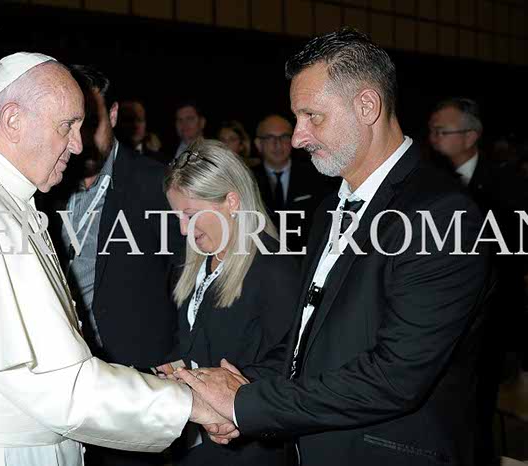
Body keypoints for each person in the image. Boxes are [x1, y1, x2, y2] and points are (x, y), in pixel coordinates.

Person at [0, 52, 235, 466]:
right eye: (67, 126)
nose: (78, 145)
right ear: (13, 120)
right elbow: (62, 388)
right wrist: (192, 403)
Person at [176, 28, 493, 466]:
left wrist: (247, 405)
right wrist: (245, 391)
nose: (298, 137)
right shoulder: (330, 208)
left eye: (312, 117)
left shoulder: (441, 213)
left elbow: (394, 378)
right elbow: (311, 340)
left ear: (367, 106)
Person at [38, 64, 185, 466]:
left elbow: (192, 283)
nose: (78, 138)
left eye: (90, 121)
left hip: (141, 389)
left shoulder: (161, 185)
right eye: (67, 124)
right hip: (57, 387)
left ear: (115, 115)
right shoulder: (39, 189)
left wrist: (182, 364)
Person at [158, 139, 300, 465]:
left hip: (247, 447)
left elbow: (290, 366)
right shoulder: (197, 260)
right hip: (198, 440)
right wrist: (175, 369)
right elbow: (194, 344)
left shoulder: (275, 267)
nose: (182, 229)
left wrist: (227, 400)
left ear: (231, 202)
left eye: (190, 215)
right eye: (177, 215)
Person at [428, 97, 528, 465]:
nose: (434, 139)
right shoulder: (426, 181)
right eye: (432, 131)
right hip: (439, 319)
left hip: (491, 319)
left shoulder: (508, 184)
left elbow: (514, 251)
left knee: (480, 410)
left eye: (443, 132)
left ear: (471, 135)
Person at [251, 114, 335, 252]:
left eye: (284, 137)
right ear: (258, 144)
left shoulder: (316, 177)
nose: (277, 144)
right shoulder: (249, 180)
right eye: (270, 138)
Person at [116, 99, 170, 164]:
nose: (136, 125)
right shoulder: (114, 152)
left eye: (140, 120)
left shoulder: (158, 152)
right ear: (119, 122)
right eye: (129, 120)